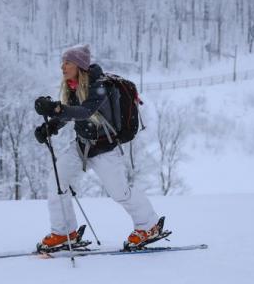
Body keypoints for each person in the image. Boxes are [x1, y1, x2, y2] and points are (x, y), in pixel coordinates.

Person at [33, 44, 162, 251]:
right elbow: (73, 111)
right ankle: (64, 233)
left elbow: (84, 111)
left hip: (105, 149)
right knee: (57, 181)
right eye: (62, 62)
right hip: (82, 146)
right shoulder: (74, 85)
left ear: (79, 65)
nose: (62, 67)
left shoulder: (100, 86)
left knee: (120, 193)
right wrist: (50, 127)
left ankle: (149, 226)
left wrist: (56, 108)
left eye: (67, 62)